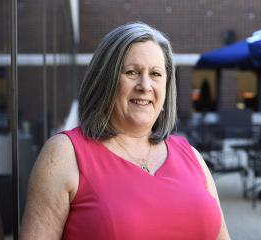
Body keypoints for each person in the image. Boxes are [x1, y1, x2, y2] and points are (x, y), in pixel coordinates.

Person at [20, 22, 230, 240]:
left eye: (156, 74)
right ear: (105, 81)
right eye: (132, 72)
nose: (145, 85)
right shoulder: (65, 154)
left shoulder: (192, 157)